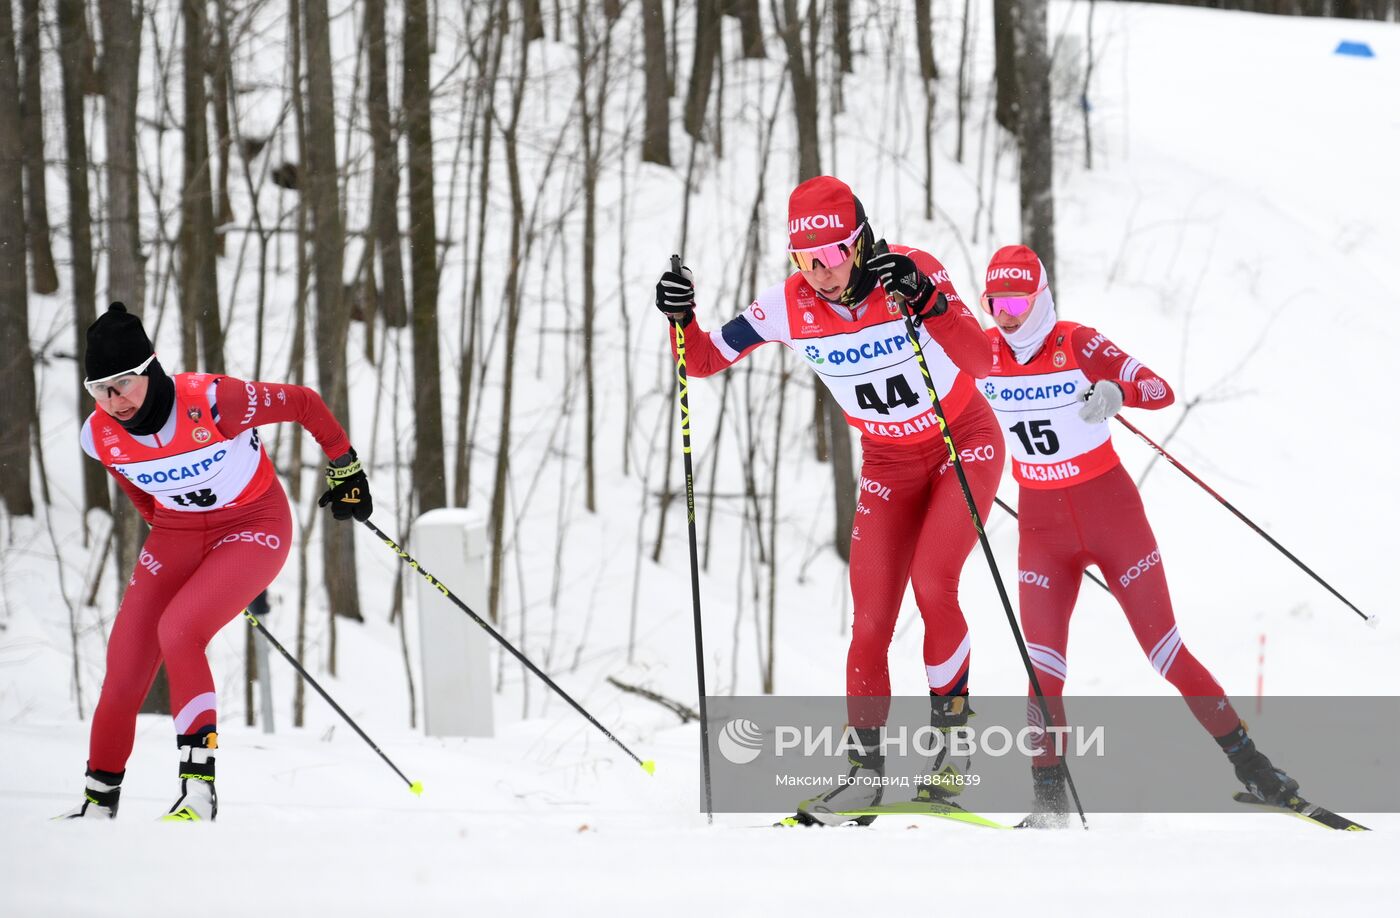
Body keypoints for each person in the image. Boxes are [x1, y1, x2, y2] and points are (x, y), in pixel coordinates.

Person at [656, 176, 1003, 825]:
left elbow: (983, 360)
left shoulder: (913, 272)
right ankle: (865, 779)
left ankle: (953, 757)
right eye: (803, 260)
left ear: (861, 242)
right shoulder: (788, 305)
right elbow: (701, 360)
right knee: (868, 623)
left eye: (832, 255)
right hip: (888, 464)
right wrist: (682, 317)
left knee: (934, 585)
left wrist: (929, 302)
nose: (817, 273)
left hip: (964, 441)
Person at [975, 245, 1298, 825]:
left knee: (1166, 653)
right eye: (995, 302)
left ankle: (1258, 770)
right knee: (1042, 667)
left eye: (1018, 301)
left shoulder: (1075, 342)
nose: (1007, 314)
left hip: (1111, 514)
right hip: (1042, 530)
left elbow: (1157, 389)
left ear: (1041, 297)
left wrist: (1118, 393)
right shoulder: (984, 353)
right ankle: (1049, 805)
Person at [59, 303, 372, 822]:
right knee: (125, 661)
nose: (113, 401)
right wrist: (176, 537)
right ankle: (98, 801)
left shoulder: (213, 401)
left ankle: (198, 795)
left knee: (179, 630)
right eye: (99, 388)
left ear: (150, 369)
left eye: (122, 384)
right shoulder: (100, 437)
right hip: (176, 536)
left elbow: (305, 404)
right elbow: (141, 495)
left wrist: (345, 468)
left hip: (254, 523)